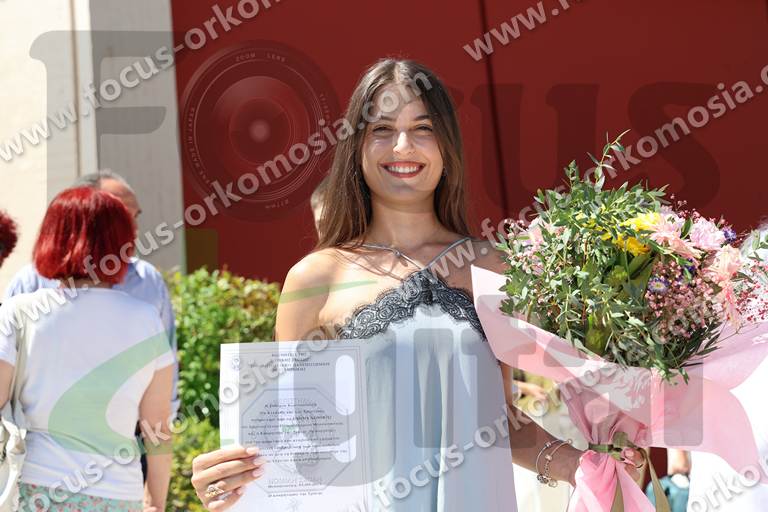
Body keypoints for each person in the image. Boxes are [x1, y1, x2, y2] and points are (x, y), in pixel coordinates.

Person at [189, 59, 644, 510]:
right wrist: (229, 480)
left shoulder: (495, 266)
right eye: (382, 129)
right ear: (357, 146)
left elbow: (498, 420)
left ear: (447, 146)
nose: (402, 146)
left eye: (422, 128)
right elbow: (293, 438)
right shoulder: (315, 279)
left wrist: (578, 465)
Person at [0, 187, 174, 511]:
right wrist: (156, 501)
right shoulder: (146, 319)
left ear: (51, 238)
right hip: (119, 494)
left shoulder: (19, 312)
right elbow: (158, 428)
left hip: (36, 488)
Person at [3, 170, 179, 417]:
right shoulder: (29, 284)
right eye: (120, 216)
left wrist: (162, 419)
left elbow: (165, 372)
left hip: (131, 433)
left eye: (134, 216)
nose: (133, 228)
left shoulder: (148, 282)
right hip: (41, 433)